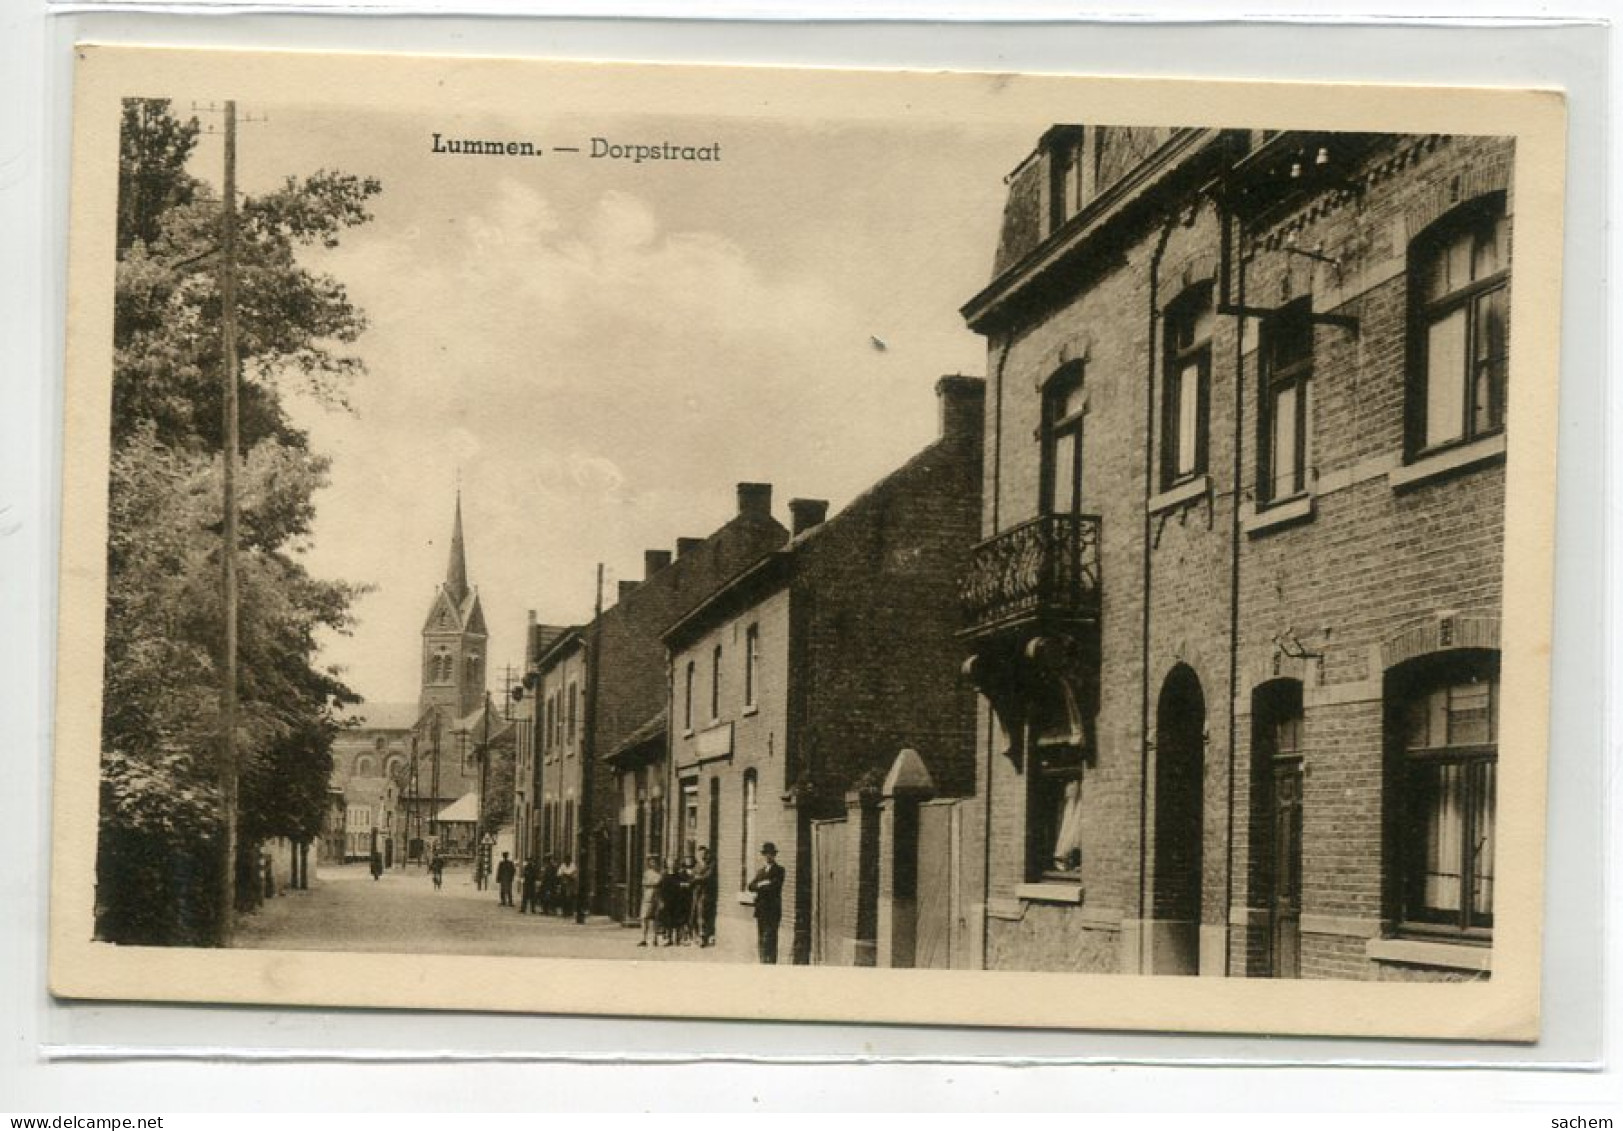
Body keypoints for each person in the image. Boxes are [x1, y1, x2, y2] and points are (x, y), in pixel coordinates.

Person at [747, 841, 785, 964]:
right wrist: (763, 883)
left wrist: (762, 885)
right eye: (766, 854)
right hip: (761, 910)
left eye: (770, 854)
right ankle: (762, 961)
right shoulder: (761, 871)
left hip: (773, 910)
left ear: (774, 856)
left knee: (771, 937)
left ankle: (771, 963)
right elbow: (750, 886)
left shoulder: (779, 870)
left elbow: (774, 886)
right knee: (761, 937)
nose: (768, 857)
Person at [654, 858, 687, 946]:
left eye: (672, 863)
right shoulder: (664, 875)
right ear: (667, 864)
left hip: (676, 900)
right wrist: (660, 900)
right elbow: (659, 888)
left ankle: (677, 939)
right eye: (669, 863)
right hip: (666, 900)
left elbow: (683, 884)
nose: (671, 864)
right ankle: (669, 939)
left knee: (676, 919)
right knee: (667, 920)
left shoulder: (678, 875)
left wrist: (682, 885)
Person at [692, 846, 718, 947]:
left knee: (703, 913)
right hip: (696, 892)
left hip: (706, 893)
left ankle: (704, 936)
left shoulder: (710, 864)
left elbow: (708, 877)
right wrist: (696, 877)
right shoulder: (697, 865)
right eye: (700, 854)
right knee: (695, 913)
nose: (702, 855)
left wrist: (698, 877)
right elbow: (692, 876)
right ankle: (698, 935)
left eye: (703, 853)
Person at [637, 854, 662, 947]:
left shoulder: (660, 873)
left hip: (656, 898)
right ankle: (643, 938)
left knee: (656, 919)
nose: (653, 863)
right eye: (651, 862)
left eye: (654, 862)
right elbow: (644, 884)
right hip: (647, 898)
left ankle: (655, 939)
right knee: (644, 918)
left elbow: (658, 883)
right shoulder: (647, 873)